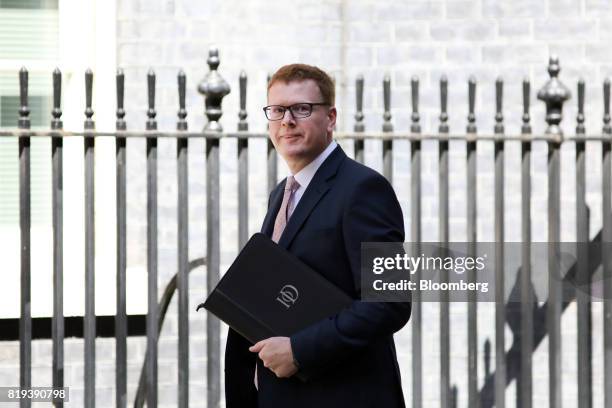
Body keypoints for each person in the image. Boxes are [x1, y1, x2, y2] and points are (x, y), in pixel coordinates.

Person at [224, 63, 411, 408]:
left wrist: (299, 350)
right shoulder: (282, 194)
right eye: (277, 110)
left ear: (331, 117)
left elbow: (389, 303)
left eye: (302, 108)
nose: (287, 121)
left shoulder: (364, 189)